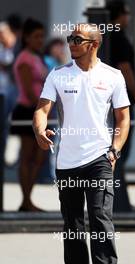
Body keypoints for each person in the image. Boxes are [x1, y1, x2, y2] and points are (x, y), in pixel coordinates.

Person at [33, 23, 130, 264]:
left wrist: (115, 149)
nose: (71, 44)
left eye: (77, 39)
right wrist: (39, 130)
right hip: (66, 161)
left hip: (100, 159)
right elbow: (42, 110)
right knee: (73, 224)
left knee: (100, 218)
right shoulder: (58, 74)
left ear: (94, 44)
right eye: (70, 38)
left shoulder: (113, 76)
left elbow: (123, 117)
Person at [107, 1, 135, 212]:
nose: (129, 17)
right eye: (126, 13)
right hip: (123, 102)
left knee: (115, 151)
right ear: (119, 15)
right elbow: (126, 70)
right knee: (120, 150)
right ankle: (119, 202)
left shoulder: (107, 36)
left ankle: (118, 201)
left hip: (111, 101)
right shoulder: (119, 37)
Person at [11, 18, 48, 211]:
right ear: (26, 37)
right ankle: (26, 200)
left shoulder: (37, 57)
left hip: (39, 110)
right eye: (36, 36)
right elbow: (28, 89)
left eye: (42, 36)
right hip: (28, 110)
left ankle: (28, 199)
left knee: (39, 157)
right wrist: (41, 111)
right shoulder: (25, 59)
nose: (40, 40)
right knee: (27, 155)